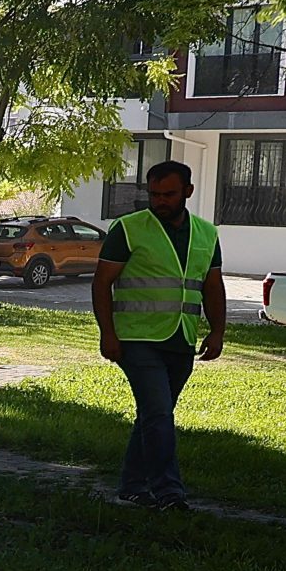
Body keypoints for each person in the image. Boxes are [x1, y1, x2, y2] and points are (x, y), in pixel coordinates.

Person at [92, 159, 225, 507]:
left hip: (181, 338)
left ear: (188, 192)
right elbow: (102, 282)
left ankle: (132, 485)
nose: (160, 201)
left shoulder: (206, 234)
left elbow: (213, 287)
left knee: (155, 415)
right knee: (159, 414)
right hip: (136, 339)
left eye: (168, 194)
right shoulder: (128, 228)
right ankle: (169, 492)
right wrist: (108, 333)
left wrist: (217, 332)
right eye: (154, 194)